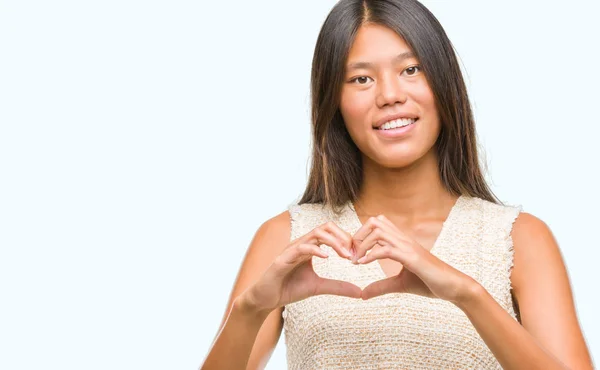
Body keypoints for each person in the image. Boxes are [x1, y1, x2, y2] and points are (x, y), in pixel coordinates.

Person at [200, 0, 594, 369]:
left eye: (411, 69)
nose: (390, 95)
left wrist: (467, 294)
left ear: (444, 82)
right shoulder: (287, 238)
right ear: (333, 102)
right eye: (361, 78)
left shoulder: (518, 239)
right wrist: (249, 309)